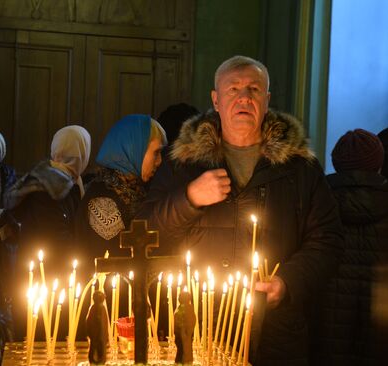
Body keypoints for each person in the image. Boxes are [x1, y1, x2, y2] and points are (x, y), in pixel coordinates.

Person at [141, 55, 343, 365]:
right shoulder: (182, 163)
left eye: (254, 89)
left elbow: (327, 240)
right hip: (198, 328)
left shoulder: (300, 168)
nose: (244, 97)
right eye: (233, 89)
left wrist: (287, 282)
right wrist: (189, 198)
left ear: (267, 99)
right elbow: (146, 231)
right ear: (216, 100)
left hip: (274, 333)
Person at [0, 125, 91, 339]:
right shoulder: (50, 187)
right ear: (82, 153)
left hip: (50, 276)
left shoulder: (66, 181)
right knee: (46, 345)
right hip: (47, 280)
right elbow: (58, 239)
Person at [310, 129, 388, 366]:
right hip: (379, 329)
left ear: (337, 163)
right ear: (378, 163)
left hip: (327, 328)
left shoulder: (319, 201)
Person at [74, 114, 166, 265]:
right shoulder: (103, 202)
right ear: (134, 149)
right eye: (156, 152)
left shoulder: (137, 190)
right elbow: (115, 265)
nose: (160, 161)